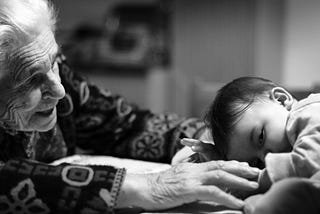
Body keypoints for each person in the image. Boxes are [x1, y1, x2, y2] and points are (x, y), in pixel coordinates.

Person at [0, 0, 260, 213]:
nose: (58, 90)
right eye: (30, 79)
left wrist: (210, 136)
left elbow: (123, 124)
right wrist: (146, 187)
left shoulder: (56, 77)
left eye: (55, 61)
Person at [175, 76, 320, 213]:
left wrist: (254, 181)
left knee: (283, 196)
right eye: (256, 163)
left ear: (281, 100)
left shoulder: (309, 111)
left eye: (261, 137)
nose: (266, 158)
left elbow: (308, 162)